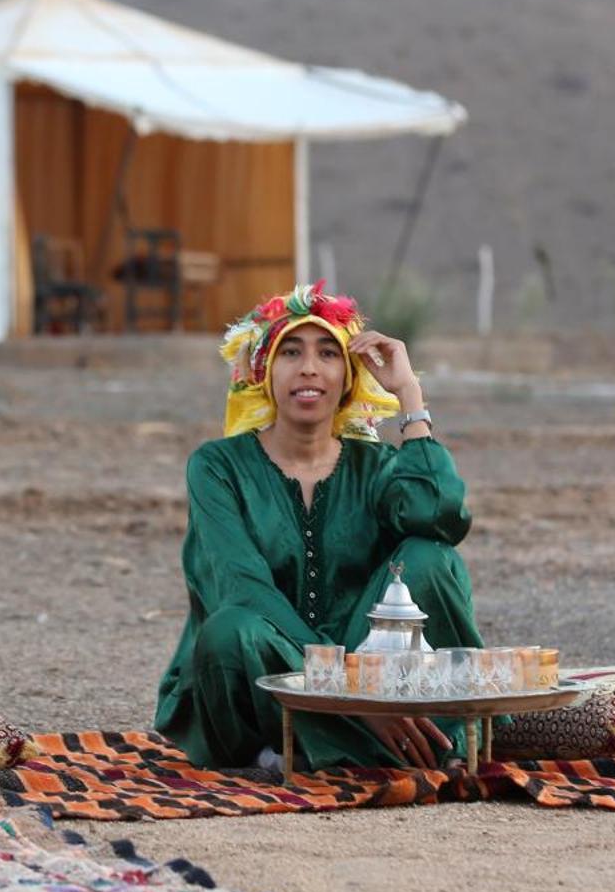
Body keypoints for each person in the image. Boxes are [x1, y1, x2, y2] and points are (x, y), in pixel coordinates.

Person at [154, 282, 482, 771]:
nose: (309, 367)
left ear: (348, 379)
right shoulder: (218, 466)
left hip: (370, 671)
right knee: (229, 630)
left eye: (328, 353)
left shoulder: (375, 467)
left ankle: (305, 750)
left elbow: (441, 515)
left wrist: (411, 398)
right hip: (271, 665)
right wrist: (351, 691)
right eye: (290, 352)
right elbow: (240, 586)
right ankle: (395, 746)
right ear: (264, 373)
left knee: (430, 557)